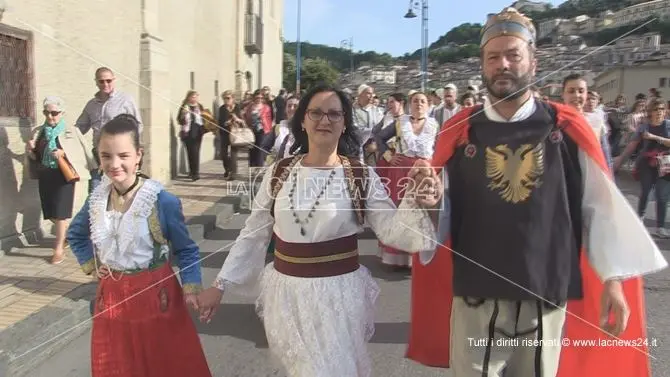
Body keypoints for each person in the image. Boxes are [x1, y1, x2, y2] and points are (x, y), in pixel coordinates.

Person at [405, 7, 667, 377]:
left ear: (533, 61)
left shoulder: (567, 127)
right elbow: (439, 222)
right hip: (476, 298)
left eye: (513, 55)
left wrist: (614, 283)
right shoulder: (460, 131)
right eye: (493, 57)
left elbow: (599, 208)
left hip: (546, 297)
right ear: (482, 64)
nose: (503, 65)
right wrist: (430, 202)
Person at [196, 85, 441, 377]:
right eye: (316, 113)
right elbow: (254, 233)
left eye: (334, 114)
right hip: (285, 297)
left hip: (339, 297)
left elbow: (392, 231)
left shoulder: (361, 175)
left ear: (345, 123)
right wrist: (220, 284)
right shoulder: (278, 172)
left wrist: (417, 199)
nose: (325, 121)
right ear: (302, 120)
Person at [66, 114, 212, 377]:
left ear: (138, 156)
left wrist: (191, 288)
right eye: (106, 156)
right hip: (110, 295)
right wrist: (92, 265)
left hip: (157, 294)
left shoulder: (160, 200)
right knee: (116, 366)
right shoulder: (96, 199)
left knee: (161, 365)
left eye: (123, 155)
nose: (114, 164)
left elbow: (187, 249)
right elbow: (76, 235)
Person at [26, 96, 96, 264]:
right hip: (46, 174)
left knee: (60, 212)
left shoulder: (71, 131)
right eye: (46, 112)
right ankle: (68, 234)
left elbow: (82, 153)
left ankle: (58, 248)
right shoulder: (39, 131)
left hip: (64, 176)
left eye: (54, 113)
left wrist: (64, 153)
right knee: (49, 210)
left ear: (62, 113)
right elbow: (36, 156)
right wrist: (30, 151)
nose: (50, 117)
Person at [372, 91, 439, 269]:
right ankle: (397, 256)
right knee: (400, 210)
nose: (419, 104)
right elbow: (379, 137)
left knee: (422, 212)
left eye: (423, 101)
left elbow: (440, 147)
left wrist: (436, 168)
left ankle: (417, 256)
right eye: (415, 101)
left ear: (428, 104)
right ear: (409, 104)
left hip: (424, 172)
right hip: (401, 170)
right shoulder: (400, 122)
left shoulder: (434, 125)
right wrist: (388, 156)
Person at [76, 67, 142, 193]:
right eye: (101, 81)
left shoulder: (125, 100)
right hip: (98, 155)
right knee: (95, 193)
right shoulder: (91, 105)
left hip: (120, 155)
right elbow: (79, 128)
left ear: (114, 80)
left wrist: (131, 149)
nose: (105, 84)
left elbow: (138, 125)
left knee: (122, 192)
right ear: (96, 82)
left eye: (108, 80)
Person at [614, 98, 670, 238]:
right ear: (650, 112)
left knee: (662, 196)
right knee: (645, 192)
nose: (659, 112)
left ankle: (660, 227)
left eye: (662, 109)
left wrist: (654, 137)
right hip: (646, 163)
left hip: (665, 164)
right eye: (656, 109)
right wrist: (618, 163)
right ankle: (640, 219)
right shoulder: (643, 127)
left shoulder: (668, 125)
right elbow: (631, 146)